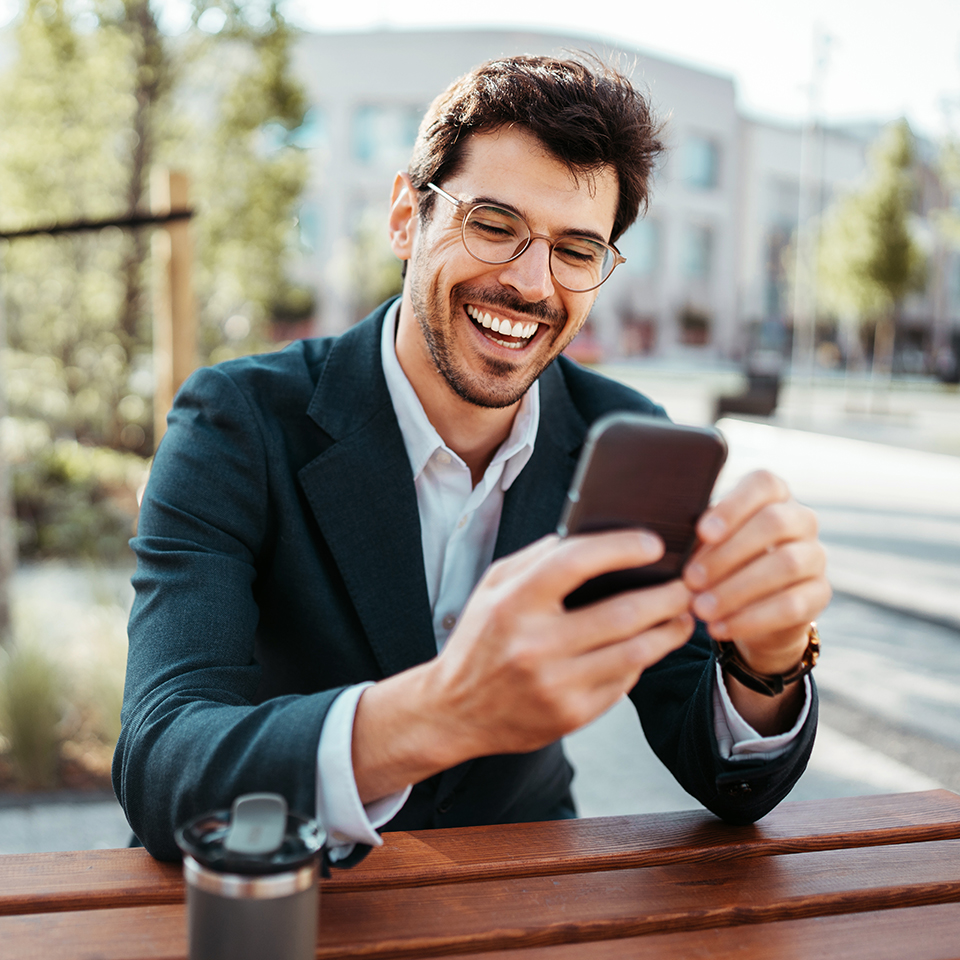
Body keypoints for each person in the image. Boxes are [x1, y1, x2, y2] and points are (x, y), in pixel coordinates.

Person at [114, 55, 830, 862]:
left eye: (577, 249)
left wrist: (766, 662)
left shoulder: (624, 437)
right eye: (494, 224)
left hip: (525, 905)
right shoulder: (233, 422)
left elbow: (730, 781)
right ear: (404, 217)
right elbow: (161, 763)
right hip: (290, 898)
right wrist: (438, 713)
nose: (530, 283)